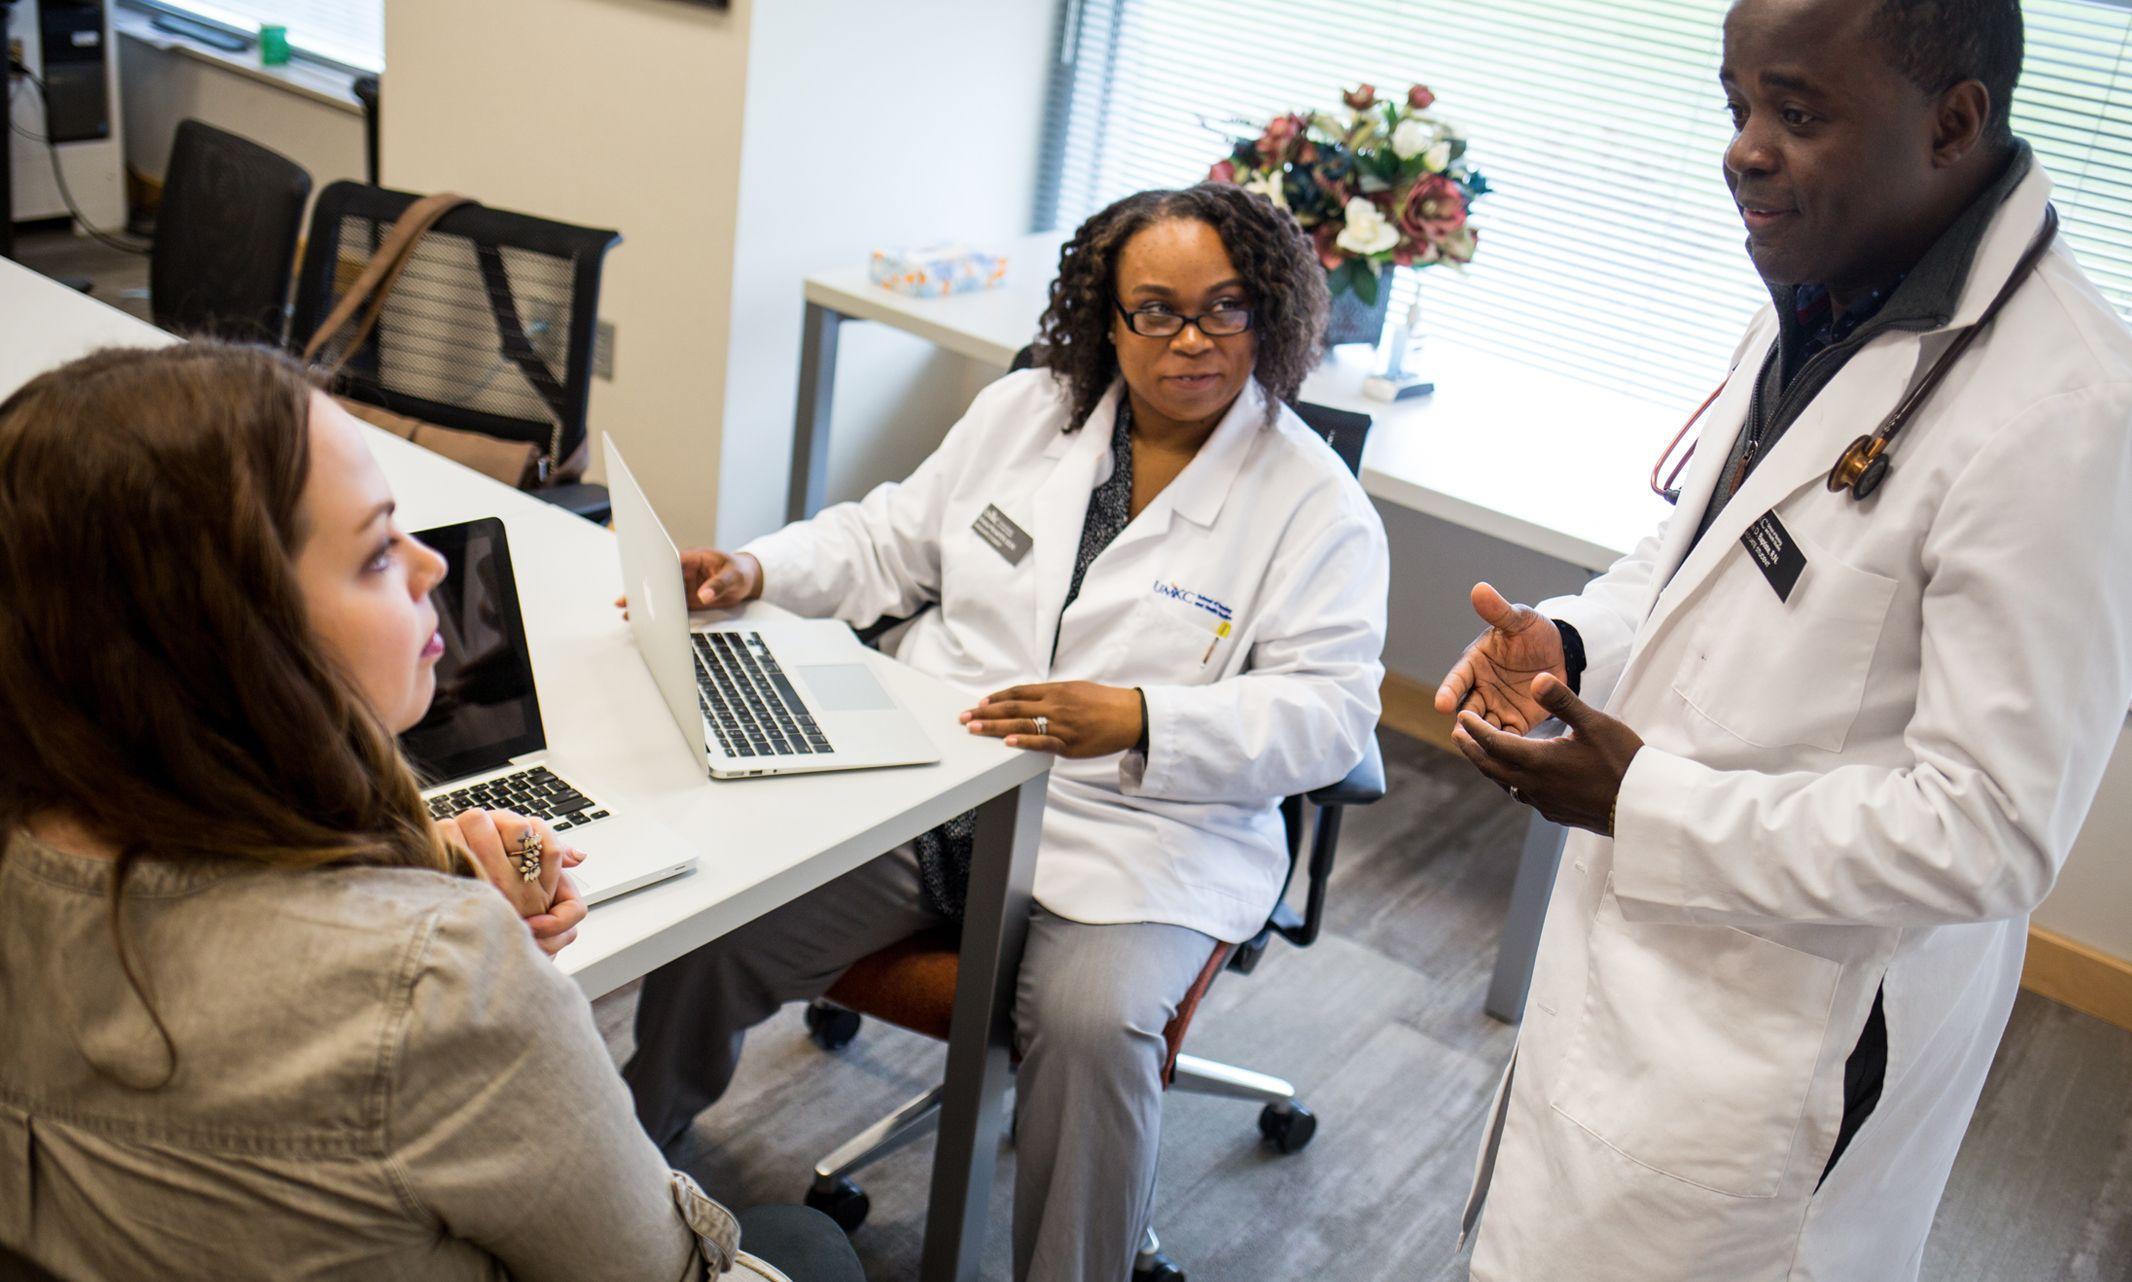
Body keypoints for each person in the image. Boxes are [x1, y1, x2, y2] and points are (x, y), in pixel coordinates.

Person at [1436, 1, 2132, 1278]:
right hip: (1643, 975)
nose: (1743, 151)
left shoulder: (2068, 415)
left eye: (1796, 114)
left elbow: (1989, 832)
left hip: (1788, 1039)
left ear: (1952, 122)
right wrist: (1573, 642)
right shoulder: (1817, 283)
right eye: (1735, 106)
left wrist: (1642, 802)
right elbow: (1711, 551)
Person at [623, 183, 1389, 1279]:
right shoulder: (1028, 412)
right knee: (720, 922)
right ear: (1105, 316)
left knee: (1090, 1030)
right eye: (1154, 310)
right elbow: (892, 542)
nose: (1190, 341)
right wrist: (758, 567)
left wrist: (1139, 718)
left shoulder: (1314, 509)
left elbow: (1327, 717)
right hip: (937, 781)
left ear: (1269, 313)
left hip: (1132, 834)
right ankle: (621, 1162)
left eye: (1224, 308)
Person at [0, 343, 861, 1281]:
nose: (428, 567)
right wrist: (455, 961)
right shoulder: (439, 986)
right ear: (229, 637)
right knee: (808, 1247)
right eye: (376, 552)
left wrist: (414, 866)